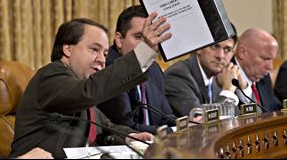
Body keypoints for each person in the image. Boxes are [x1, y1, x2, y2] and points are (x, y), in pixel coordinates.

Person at [10, 13, 172, 158]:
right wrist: (145, 51)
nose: (102, 60)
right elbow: (88, 92)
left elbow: (105, 126)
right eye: (94, 49)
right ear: (68, 48)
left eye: (106, 53)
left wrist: (130, 136)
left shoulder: (74, 83)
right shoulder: (50, 76)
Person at [97, 5, 175, 134]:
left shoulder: (154, 68)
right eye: (139, 37)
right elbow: (125, 126)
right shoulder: (109, 67)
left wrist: (188, 125)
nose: (147, 44)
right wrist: (172, 130)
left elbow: (167, 117)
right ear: (119, 40)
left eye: (151, 37)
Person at [164, 24, 245, 117]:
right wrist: (228, 91)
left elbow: (241, 118)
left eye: (227, 49)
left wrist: (241, 87)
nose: (220, 56)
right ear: (199, 48)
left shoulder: (219, 77)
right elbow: (201, 120)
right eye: (215, 46)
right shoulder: (177, 76)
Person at [233, 28, 282, 112]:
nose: (270, 67)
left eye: (272, 60)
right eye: (265, 58)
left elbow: (277, 109)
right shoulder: (224, 76)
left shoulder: (263, 77)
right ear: (243, 52)